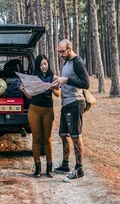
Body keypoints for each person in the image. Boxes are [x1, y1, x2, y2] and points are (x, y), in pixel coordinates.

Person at [52, 39, 90, 181]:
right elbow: (66, 80)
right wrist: (58, 83)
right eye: (59, 52)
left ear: (70, 49)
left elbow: (86, 83)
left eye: (62, 51)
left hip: (75, 103)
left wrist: (66, 80)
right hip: (66, 103)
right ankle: (65, 164)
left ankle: (79, 169)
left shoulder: (77, 62)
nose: (61, 54)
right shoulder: (66, 62)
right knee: (63, 134)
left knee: (75, 136)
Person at [20, 54, 59, 178]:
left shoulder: (52, 77)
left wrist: (52, 88)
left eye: (45, 64)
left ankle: (49, 167)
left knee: (47, 139)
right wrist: (23, 90)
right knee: (36, 138)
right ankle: (37, 167)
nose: (44, 66)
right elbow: (30, 96)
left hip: (48, 109)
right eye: (41, 64)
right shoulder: (33, 78)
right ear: (38, 65)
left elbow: (58, 94)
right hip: (34, 109)